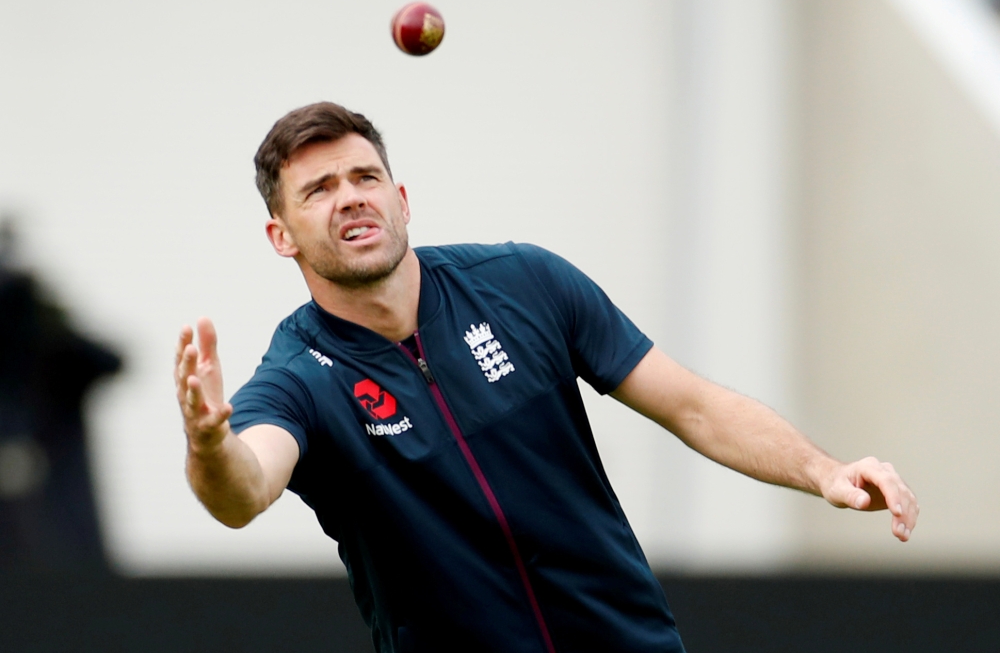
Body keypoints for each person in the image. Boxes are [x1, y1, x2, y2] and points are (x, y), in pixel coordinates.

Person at [175, 102, 918, 653]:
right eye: (319, 190)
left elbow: (694, 407)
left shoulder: (525, 282)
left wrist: (822, 470)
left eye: (366, 176)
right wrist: (210, 444)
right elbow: (245, 489)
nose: (351, 197)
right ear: (282, 236)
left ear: (402, 201)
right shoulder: (301, 375)